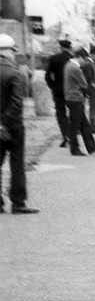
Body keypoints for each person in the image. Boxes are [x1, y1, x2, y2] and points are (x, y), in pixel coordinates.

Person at [0, 34, 38, 214]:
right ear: (6, 52)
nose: (14, 55)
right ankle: (18, 202)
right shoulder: (15, 74)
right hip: (13, 127)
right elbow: (16, 103)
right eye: (13, 52)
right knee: (17, 165)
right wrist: (4, 124)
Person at [63, 47, 95, 156]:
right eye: (85, 59)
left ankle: (91, 147)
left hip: (71, 98)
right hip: (75, 98)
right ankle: (74, 149)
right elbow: (84, 84)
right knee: (75, 125)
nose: (85, 62)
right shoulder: (75, 68)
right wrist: (92, 91)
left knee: (85, 125)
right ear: (80, 57)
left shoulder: (67, 65)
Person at [44, 38, 73, 146]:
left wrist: (53, 86)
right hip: (71, 90)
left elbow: (47, 75)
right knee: (74, 111)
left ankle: (66, 136)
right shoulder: (72, 59)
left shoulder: (54, 58)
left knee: (61, 114)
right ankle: (74, 133)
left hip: (58, 90)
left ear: (60, 48)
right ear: (69, 48)